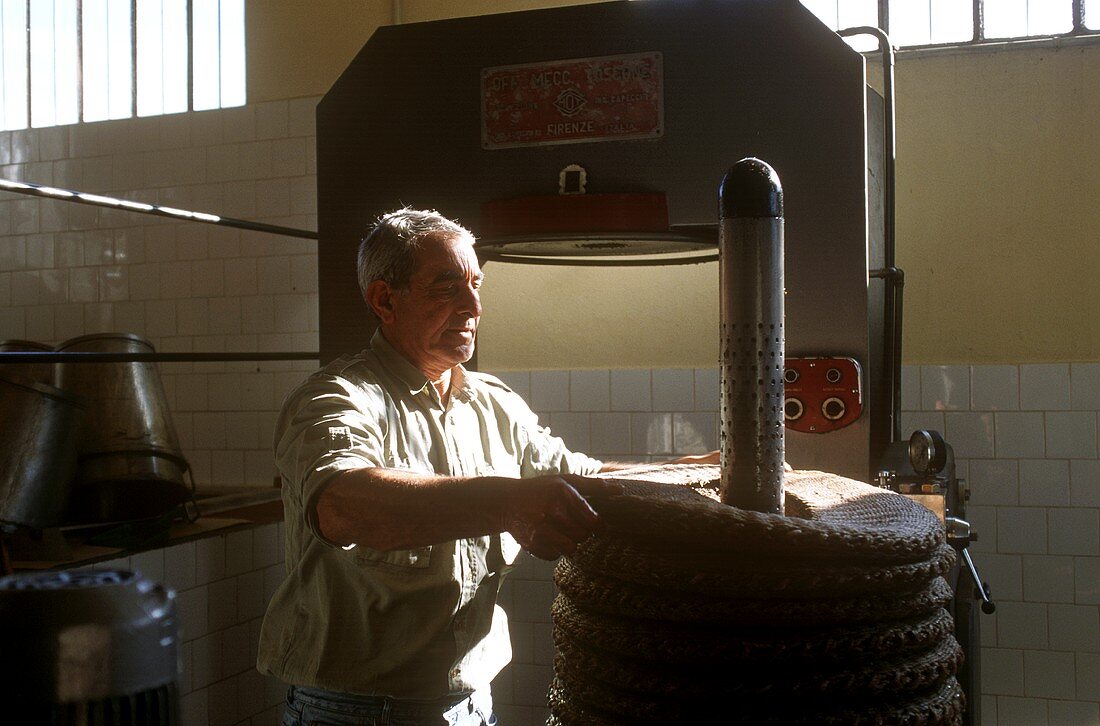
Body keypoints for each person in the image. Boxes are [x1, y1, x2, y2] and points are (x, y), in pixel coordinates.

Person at [257, 208, 715, 726]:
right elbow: (344, 506)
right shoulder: (338, 398)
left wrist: (693, 472)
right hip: (355, 711)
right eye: (446, 287)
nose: (473, 305)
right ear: (385, 299)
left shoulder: (493, 403)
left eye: (476, 284)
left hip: (470, 704)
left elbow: (581, 478)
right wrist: (508, 502)